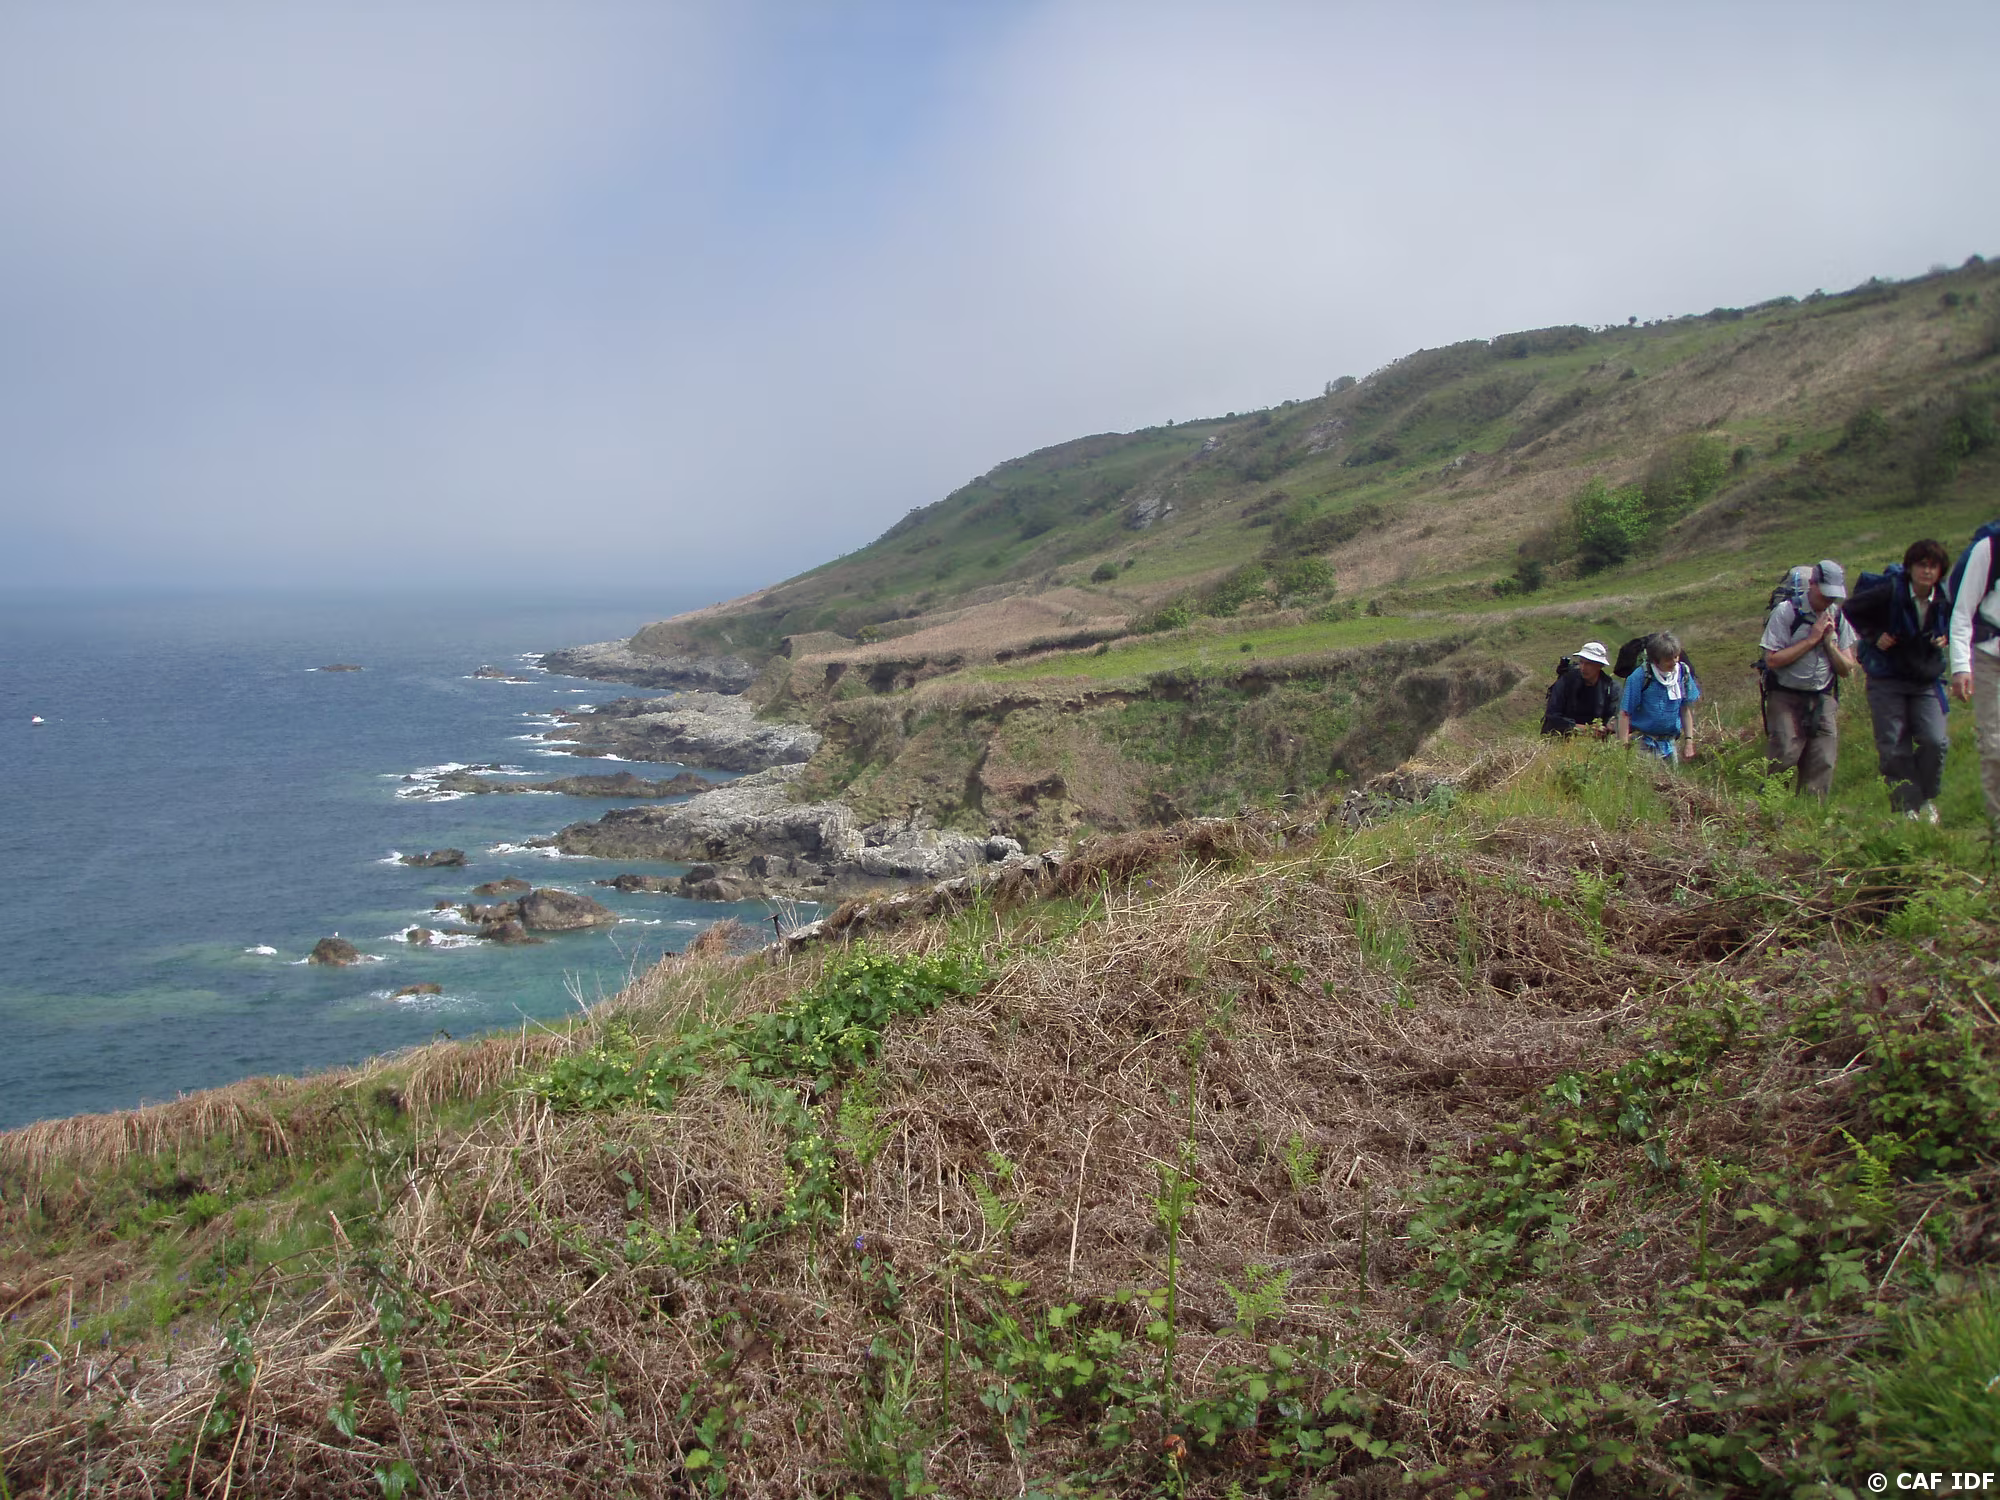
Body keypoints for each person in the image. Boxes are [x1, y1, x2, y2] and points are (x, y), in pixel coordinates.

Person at [1845, 540, 1951, 821]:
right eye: (1921, 565)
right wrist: (1874, 635)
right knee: (1893, 745)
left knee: (1935, 741)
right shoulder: (1890, 591)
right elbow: (1851, 608)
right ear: (1910, 568)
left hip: (1925, 678)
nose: (1927, 571)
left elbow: (1959, 621)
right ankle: (1907, 808)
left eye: (1933, 566)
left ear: (1940, 571)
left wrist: (1946, 635)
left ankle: (1925, 798)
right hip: (1886, 677)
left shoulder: (1944, 597)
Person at [1760, 560, 1859, 797]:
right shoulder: (1786, 612)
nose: (1829, 601)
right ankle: (1769, 807)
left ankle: (1810, 814)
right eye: (1825, 594)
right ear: (1812, 584)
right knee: (1785, 753)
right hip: (1784, 694)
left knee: (1823, 761)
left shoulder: (1837, 616)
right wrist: (1811, 640)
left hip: (1823, 697)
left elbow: (1848, 668)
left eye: (1833, 596)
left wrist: (1830, 645)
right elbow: (1771, 660)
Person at [1947, 521, 2000, 827]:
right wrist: (1961, 666)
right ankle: (1997, 828)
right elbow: (1962, 612)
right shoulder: (1990, 548)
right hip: (1989, 655)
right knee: (1994, 745)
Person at [1619, 631, 1700, 762]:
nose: (1674, 662)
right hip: (1642, 744)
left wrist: (1689, 743)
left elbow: (1685, 709)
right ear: (1656, 660)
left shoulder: (1683, 673)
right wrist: (1624, 747)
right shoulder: (1640, 676)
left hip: (1670, 744)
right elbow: (1625, 713)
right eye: (1668, 659)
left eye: (1676, 657)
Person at [1541, 641, 1619, 736]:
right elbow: (1552, 716)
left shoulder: (1610, 688)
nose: (1583, 668)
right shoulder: (1567, 680)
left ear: (1600, 666)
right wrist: (1583, 729)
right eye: (1581, 662)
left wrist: (1607, 727)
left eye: (1589, 664)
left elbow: (1613, 717)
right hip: (1562, 736)